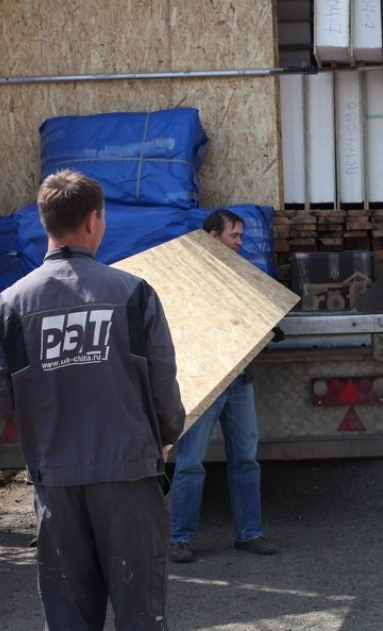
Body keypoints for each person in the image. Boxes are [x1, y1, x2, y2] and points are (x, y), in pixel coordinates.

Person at [0, 170, 185, 630]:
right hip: (130, 474)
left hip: (57, 483)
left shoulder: (7, 307)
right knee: (140, 615)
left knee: (69, 616)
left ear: (44, 221)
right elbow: (163, 389)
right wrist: (167, 436)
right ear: (93, 220)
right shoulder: (134, 294)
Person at [169, 209, 279, 562]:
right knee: (189, 464)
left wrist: (266, 323)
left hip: (240, 381)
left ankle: (250, 534)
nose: (240, 243)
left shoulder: (242, 276)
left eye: (242, 237)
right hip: (205, 383)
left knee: (246, 460)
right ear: (213, 236)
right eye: (234, 236)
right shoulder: (187, 277)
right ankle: (179, 539)